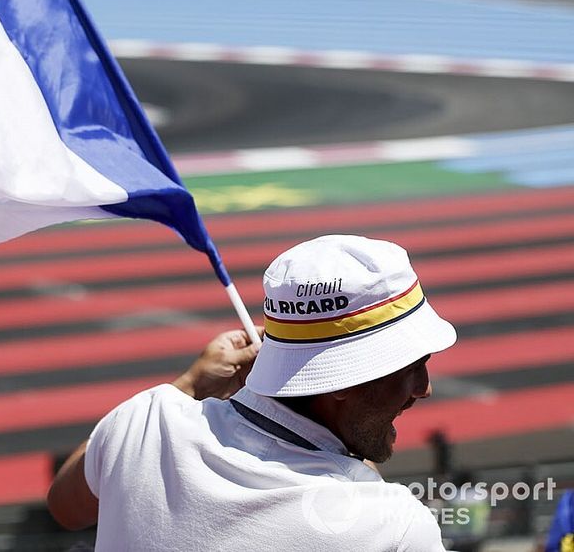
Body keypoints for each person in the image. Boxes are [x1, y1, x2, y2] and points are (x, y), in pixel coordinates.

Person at [48, 234, 457, 550]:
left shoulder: (149, 419)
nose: (423, 388)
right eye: (412, 368)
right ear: (345, 380)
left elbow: (66, 507)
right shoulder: (392, 524)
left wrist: (189, 385)